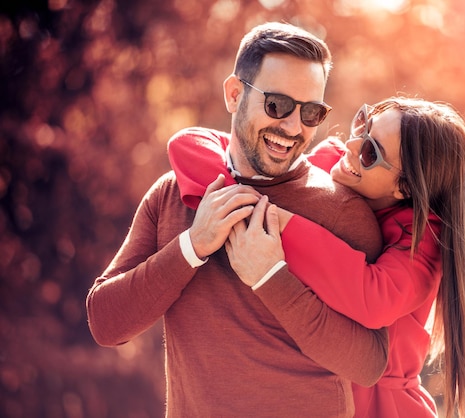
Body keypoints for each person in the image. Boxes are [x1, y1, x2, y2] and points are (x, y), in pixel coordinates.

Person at [86, 22, 390, 418]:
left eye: (312, 112)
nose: (294, 128)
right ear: (234, 94)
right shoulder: (172, 194)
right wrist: (191, 247)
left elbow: (369, 365)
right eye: (277, 105)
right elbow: (105, 322)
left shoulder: (343, 212)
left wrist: (270, 277)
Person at [167, 97, 465, 417]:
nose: (351, 144)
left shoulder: (423, 243)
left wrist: (269, 216)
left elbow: (372, 298)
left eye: (370, 152)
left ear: (404, 188)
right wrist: (238, 200)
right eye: (363, 125)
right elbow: (189, 145)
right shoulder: (333, 161)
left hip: (381, 408)